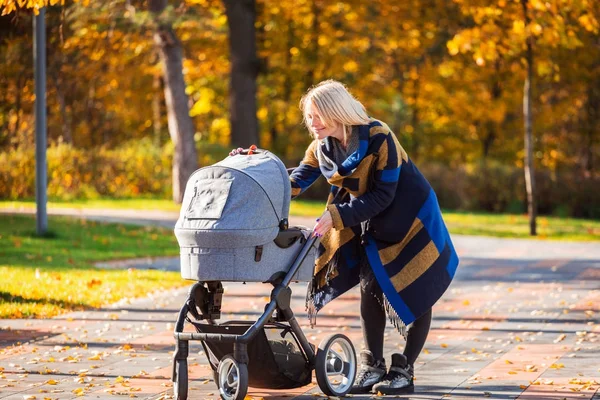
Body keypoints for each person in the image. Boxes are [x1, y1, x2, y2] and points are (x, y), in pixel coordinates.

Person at [231, 79, 459, 395]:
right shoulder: (322, 149)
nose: (311, 123)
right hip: (372, 223)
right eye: (308, 117)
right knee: (370, 287)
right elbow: (294, 183)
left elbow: (383, 194)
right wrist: (253, 168)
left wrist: (335, 217)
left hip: (412, 218)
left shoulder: (379, 137)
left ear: (336, 111)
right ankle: (372, 366)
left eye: (316, 116)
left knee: (417, 288)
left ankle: (404, 370)